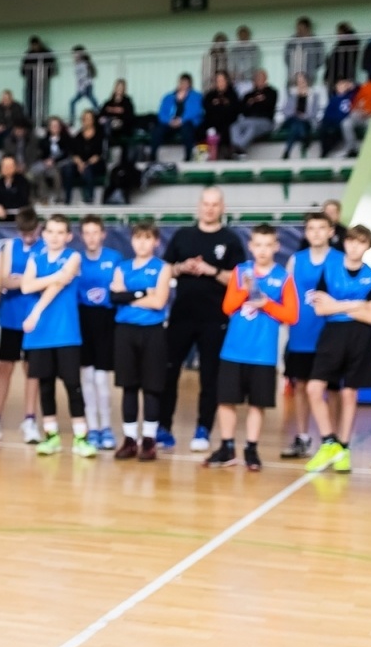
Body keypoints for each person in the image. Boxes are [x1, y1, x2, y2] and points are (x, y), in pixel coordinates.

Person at [204, 224, 298, 472]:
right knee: (226, 400)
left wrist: (266, 303)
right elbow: (228, 307)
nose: (263, 250)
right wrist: (245, 289)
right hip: (234, 349)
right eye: (258, 245)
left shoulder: (283, 277)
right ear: (251, 246)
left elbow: (291, 315)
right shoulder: (241, 272)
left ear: (276, 247)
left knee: (257, 403)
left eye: (268, 245)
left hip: (263, 353)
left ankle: (251, 448)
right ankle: (226, 447)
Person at [160, 188, 245, 450]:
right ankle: (163, 428)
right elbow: (165, 270)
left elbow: (238, 278)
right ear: (199, 206)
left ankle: (203, 429)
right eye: (205, 204)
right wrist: (181, 268)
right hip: (181, 316)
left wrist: (212, 270)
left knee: (210, 376)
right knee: (168, 371)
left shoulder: (231, 240)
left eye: (214, 204)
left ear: (222, 207)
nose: (209, 209)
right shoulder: (182, 236)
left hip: (214, 319)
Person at [303, 224, 371, 473]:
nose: (354, 246)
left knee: (349, 393)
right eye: (351, 241)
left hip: (360, 338)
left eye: (361, 242)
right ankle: (329, 442)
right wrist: (354, 304)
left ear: (368, 246)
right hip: (332, 335)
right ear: (345, 243)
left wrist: (336, 305)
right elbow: (320, 308)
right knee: (314, 388)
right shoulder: (330, 269)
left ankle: (344, 448)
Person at [20, 214, 94, 458]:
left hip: (66, 332)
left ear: (69, 236)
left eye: (60, 232)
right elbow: (25, 286)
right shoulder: (35, 258)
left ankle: (81, 437)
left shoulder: (73, 256)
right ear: (43, 234)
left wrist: (36, 312)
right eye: (50, 231)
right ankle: (51, 436)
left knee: (73, 385)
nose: (54, 237)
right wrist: (54, 276)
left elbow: (55, 287)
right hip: (40, 335)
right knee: (45, 386)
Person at [109, 221, 171, 461]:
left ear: (156, 241)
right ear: (131, 240)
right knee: (129, 386)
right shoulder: (122, 267)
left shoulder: (162, 268)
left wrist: (128, 296)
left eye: (147, 238)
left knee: (152, 387)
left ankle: (149, 439)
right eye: (137, 238)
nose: (142, 243)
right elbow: (115, 297)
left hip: (152, 332)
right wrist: (144, 292)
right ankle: (129, 439)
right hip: (125, 331)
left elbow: (159, 303)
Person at [279, 213, 336, 459]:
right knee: (301, 386)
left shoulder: (339, 260)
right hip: (301, 332)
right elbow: (287, 294)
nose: (316, 233)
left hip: (330, 333)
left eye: (321, 228)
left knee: (331, 389)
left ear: (331, 231)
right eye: (311, 228)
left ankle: (333, 440)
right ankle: (302, 437)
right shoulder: (296, 260)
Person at [0, 207, 43, 443]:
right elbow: (2, 280)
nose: (28, 238)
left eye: (31, 233)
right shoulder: (9, 247)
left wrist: (20, 280)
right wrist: (28, 281)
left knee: (32, 370)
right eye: (23, 233)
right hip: (11, 317)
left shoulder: (44, 248)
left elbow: (39, 283)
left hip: (34, 319)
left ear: (39, 228)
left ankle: (30, 419)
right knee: (4, 368)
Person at [75, 214, 121, 449]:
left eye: (96, 232)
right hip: (83, 319)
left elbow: (121, 290)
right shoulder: (76, 261)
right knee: (87, 377)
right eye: (87, 233)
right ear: (81, 236)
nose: (91, 237)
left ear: (103, 234)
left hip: (106, 321)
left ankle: (106, 427)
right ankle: (92, 427)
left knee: (102, 379)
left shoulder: (114, 259)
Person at [150, 74, 203, 162]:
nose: (183, 85)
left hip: (186, 122)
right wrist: (169, 121)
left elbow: (195, 111)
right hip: (170, 122)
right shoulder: (169, 97)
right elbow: (162, 113)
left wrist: (181, 120)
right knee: (158, 130)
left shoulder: (196, 96)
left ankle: (188, 157)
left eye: (186, 83)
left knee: (187, 129)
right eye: (182, 83)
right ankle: (152, 156)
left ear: (190, 84)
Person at [340, 67, 371, 157]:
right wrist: (357, 109)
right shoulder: (367, 86)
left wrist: (370, 112)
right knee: (346, 123)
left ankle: (370, 150)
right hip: (359, 113)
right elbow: (356, 101)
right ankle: (352, 148)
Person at [230, 69, 277, 157]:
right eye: (256, 78)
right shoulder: (248, 95)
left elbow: (269, 107)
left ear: (265, 79)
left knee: (251, 127)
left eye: (260, 78)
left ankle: (239, 148)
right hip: (249, 119)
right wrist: (250, 102)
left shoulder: (272, 93)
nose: (258, 80)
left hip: (265, 121)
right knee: (234, 126)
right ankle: (237, 147)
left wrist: (260, 101)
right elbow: (242, 110)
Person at [279, 71, 324, 159]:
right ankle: (304, 137)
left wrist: (303, 116)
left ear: (307, 82)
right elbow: (285, 111)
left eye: (302, 81)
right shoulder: (292, 95)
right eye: (298, 82)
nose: (300, 84)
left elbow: (313, 113)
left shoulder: (314, 96)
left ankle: (287, 151)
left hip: (306, 121)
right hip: (291, 119)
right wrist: (294, 111)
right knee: (296, 122)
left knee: (297, 125)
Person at [63, 111, 105, 202]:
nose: (87, 121)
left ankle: (89, 198)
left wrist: (86, 164)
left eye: (89, 119)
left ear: (93, 120)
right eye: (85, 119)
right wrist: (80, 163)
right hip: (80, 163)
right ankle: (67, 199)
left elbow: (99, 154)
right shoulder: (77, 136)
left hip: (95, 163)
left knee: (88, 169)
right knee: (68, 169)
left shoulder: (100, 135)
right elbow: (74, 153)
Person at [201, 71, 239, 159]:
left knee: (226, 131)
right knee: (201, 129)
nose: (220, 83)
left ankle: (227, 155)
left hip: (228, 122)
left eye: (222, 80)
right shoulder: (210, 95)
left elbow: (234, 110)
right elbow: (208, 109)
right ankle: (203, 154)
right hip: (211, 122)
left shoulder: (233, 95)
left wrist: (221, 105)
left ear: (226, 81)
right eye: (217, 80)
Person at [318, 77, 358, 158]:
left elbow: (360, 89)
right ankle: (325, 153)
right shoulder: (334, 99)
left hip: (344, 122)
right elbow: (328, 115)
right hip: (334, 123)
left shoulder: (351, 96)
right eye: (340, 85)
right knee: (325, 130)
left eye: (344, 84)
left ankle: (351, 150)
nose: (342, 87)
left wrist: (353, 86)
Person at [0, 154, 33, 219]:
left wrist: (4, 208)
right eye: (4, 166)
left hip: (20, 220)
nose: (7, 168)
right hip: (1, 222)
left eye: (10, 166)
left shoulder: (23, 182)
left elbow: (23, 203)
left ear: (15, 167)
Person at [22, 36, 57, 122]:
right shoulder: (29, 54)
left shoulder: (46, 53)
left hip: (42, 81)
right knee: (29, 101)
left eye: (36, 45)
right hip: (31, 82)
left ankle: (43, 120)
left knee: (42, 101)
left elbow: (52, 67)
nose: (34, 47)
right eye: (33, 46)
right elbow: (23, 69)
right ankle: (30, 120)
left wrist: (46, 75)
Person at [284, 16, 325, 86]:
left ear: (307, 28)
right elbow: (286, 58)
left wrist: (312, 68)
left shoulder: (316, 42)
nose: (299, 30)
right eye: (298, 28)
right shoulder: (291, 42)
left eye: (301, 28)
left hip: (309, 76)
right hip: (292, 76)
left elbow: (320, 60)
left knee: (307, 95)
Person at [0, 89, 29, 157]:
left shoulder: (17, 107)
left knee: (14, 136)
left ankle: (10, 157)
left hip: (12, 129)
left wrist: (5, 127)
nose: (4, 100)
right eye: (3, 98)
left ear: (11, 99)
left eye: (6, 99)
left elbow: (19, 121)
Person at [99, 79, 136, 149]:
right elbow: (102, 114)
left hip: (122, 127)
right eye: (118, 87)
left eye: (121, 87)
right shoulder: (108, 102)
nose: (119, 89)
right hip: (108, 125)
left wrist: (113, 112)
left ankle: (107, 145)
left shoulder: (127, 103)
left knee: (113, 125)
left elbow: (130, 117)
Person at [229, 26, 261, 97]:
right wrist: (234, 75)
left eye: (244, 34)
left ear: (248, 35)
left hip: (250, 79)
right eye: (241, 34)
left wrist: (252, 76)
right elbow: (231, 65)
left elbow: (256, 64)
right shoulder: (233, 49)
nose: (243, 36)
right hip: (237, 80)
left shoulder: (254, 48)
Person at [69, 45, 99, 123]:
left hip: (86, 86)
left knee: (90, 99)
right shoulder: (77, 64)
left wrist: (83, 88)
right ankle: (99, 112)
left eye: (76, 54)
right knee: (91, 100)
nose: (74, 56)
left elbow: (85, 76)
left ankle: (99, 113)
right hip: (81, 87)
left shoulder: (84, 64)